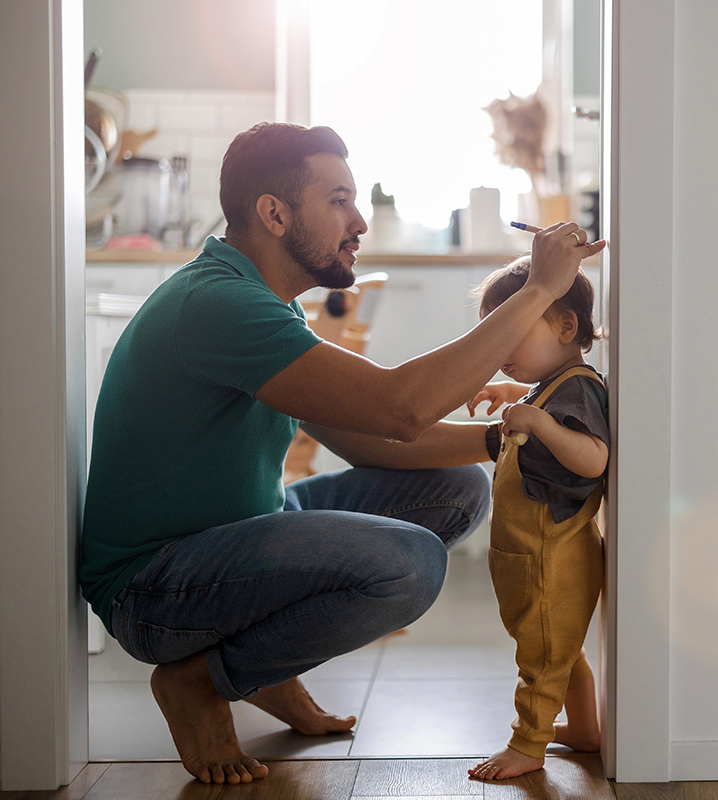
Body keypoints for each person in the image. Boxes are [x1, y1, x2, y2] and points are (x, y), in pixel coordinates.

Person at [78, 122, 605, 785]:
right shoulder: (221, 304)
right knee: (409, 563)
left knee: (459, 486)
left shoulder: (263, 303)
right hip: (153, 586)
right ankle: (203, 680)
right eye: (338, 201)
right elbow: (398, 408)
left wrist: (500, 439)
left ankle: (263, 668)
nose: (359, 222)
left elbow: (362, 438)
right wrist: (537, 291)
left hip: (234, 536)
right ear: (274, 214)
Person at [461, 256, 609, 781]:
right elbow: (545, 409)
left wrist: (539, 423)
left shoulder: (578, 387)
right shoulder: (556, 384)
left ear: (565, 326)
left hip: (554, 556)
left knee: (543, 658)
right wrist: (515, 398)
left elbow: (594, 458)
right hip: (533, 553)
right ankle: (585, 730)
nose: (497, 351)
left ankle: (527, 745)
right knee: (560, 651)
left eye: (510, 335)